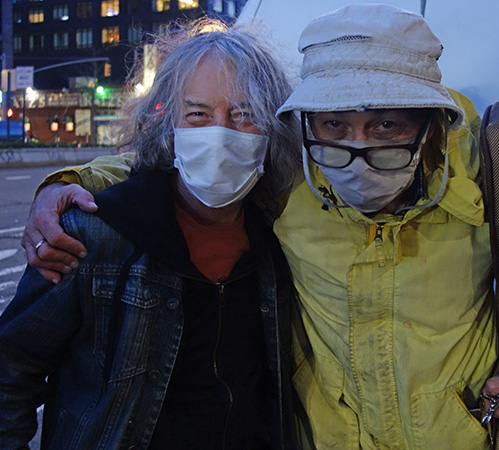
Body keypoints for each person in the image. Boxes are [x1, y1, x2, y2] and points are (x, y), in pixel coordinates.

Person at [19, 4, 499, 450]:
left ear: (428, 126)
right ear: (307, 124)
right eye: (335, 123)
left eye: (387, 124)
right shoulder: (291, 179)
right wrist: (65, 182)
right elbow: (173, 156)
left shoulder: (487, 179)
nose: (357, 147)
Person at [0, 19, 301, 450]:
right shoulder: (94, 234)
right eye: (198, 114)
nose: (220, 133)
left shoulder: (279, 239)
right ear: (169, 127)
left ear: (273, 130)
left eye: (244, 115)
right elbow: (11, 371)